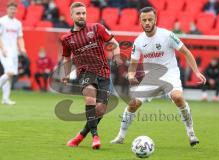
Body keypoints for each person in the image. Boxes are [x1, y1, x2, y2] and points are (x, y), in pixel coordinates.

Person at [111, 7, 206, 147]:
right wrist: (131, 75)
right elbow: (133, 64)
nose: (147, 22)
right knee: (133, 103)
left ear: (155, 19)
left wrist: (196, 72)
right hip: (151, 77)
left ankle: (191, 132)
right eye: (144, 20)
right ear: (140, 22)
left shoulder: (168, 35)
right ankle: (120, 136)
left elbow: (186, 53)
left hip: (170, 73)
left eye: (150, 19)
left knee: (178, 97)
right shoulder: (138, 41)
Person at [60, 2, 122, 149]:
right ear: (72, 16)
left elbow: (114, 43)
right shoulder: (67, 39)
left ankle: (80, 136)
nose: (81, 16)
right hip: (86, 72)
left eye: (83, 13)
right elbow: (67, 58)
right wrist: (66, 74)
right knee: (89, 96)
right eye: (78, 13)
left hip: (104, 72)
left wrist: (117, 56)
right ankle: (95, 136)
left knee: (100, 109)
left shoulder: (97, 28)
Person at [0, 1, 26, 105]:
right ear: (7, 9)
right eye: (11, 9)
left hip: (14, 52)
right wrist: (3, 48)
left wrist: (22, 48)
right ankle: (5, 98)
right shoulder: (2, 21)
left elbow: (20, 37)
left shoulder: (18, 23)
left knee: (10, 75)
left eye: (14, 9)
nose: (13, 10)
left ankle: (5, 99)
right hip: (4, 50)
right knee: (10, 72)